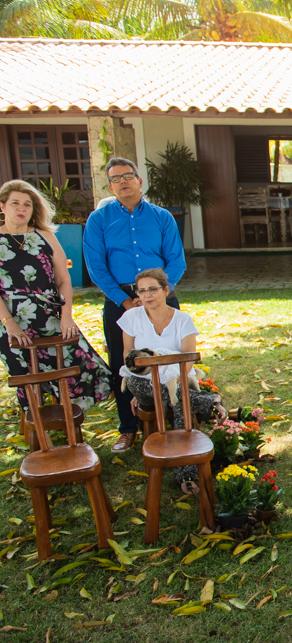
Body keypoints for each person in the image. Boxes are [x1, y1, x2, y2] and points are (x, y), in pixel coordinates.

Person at [84, 157, 186, 453]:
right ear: (110, 186)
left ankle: (177, 419)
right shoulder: (98, 220)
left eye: (128, 176)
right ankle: (128, 428)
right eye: (116, 179)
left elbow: (176, 261)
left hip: (161, 295)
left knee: (173, 355)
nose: (123, 182)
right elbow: (96, 267)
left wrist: (159, 295)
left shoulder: (162, 217)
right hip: (121, 299)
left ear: (140, 181)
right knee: (123, 362)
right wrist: (127, 301)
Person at [0, 180, 111, 412]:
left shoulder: (46, 236)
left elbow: (63, 280)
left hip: (50, 315)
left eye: (27, 204)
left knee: (81, 365)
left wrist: (66, 315)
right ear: (2, 207)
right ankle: (39, 434)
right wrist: (9, 324)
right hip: (9, 320)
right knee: (27, 377)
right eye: (15, 203)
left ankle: (69, 420)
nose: (21, 208)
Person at [119, 269, 225, 493]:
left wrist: (174, 381)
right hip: (141, 381)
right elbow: (128, 359)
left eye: (153, 289)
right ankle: (207, 401)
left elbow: (188, 360)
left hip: (175, 380)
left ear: (165, 290)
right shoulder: (131, 318)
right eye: (142, 290)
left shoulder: (183, 320)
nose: (147, 295)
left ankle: (184, 474)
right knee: (170, 394)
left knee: (179, 402)